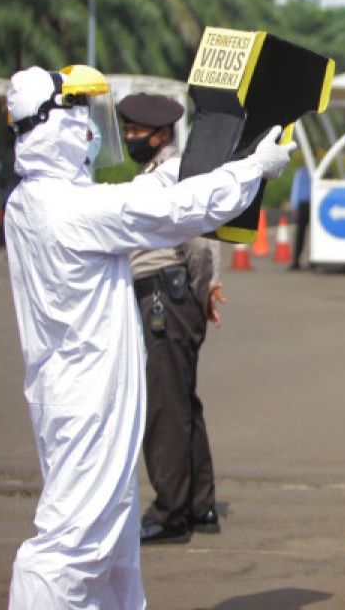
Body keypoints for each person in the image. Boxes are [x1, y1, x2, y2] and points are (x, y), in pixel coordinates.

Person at [3, 65, 294, 607]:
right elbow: (172, 210)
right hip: (88, 398)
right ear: (54, 127)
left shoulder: (31, 202)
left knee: (112, 545)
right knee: (67, 549)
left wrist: (207, 158)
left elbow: (146, 191)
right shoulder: (68, 210)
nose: (92, 134)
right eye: (80, 120)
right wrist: (252, 169)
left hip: (83, 393)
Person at [118, 93, 226, 544]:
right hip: (172, 293)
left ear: (161, 134)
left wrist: (203, 291)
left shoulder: (173, 176)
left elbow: (199, 244)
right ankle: (198, 505)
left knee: (163, 405)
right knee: (182, 401)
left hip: (166, 293)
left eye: (136, 132)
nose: (129, 139)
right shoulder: (160, 174)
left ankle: (170, 511)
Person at [289, 164, 311, 270]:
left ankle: (312, 259)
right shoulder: (301, 172)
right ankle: (296, 260)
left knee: (312, 235)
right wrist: (294, 206)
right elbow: (296, 189)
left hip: (314, 204)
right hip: (304, 205)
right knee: (300, 234)